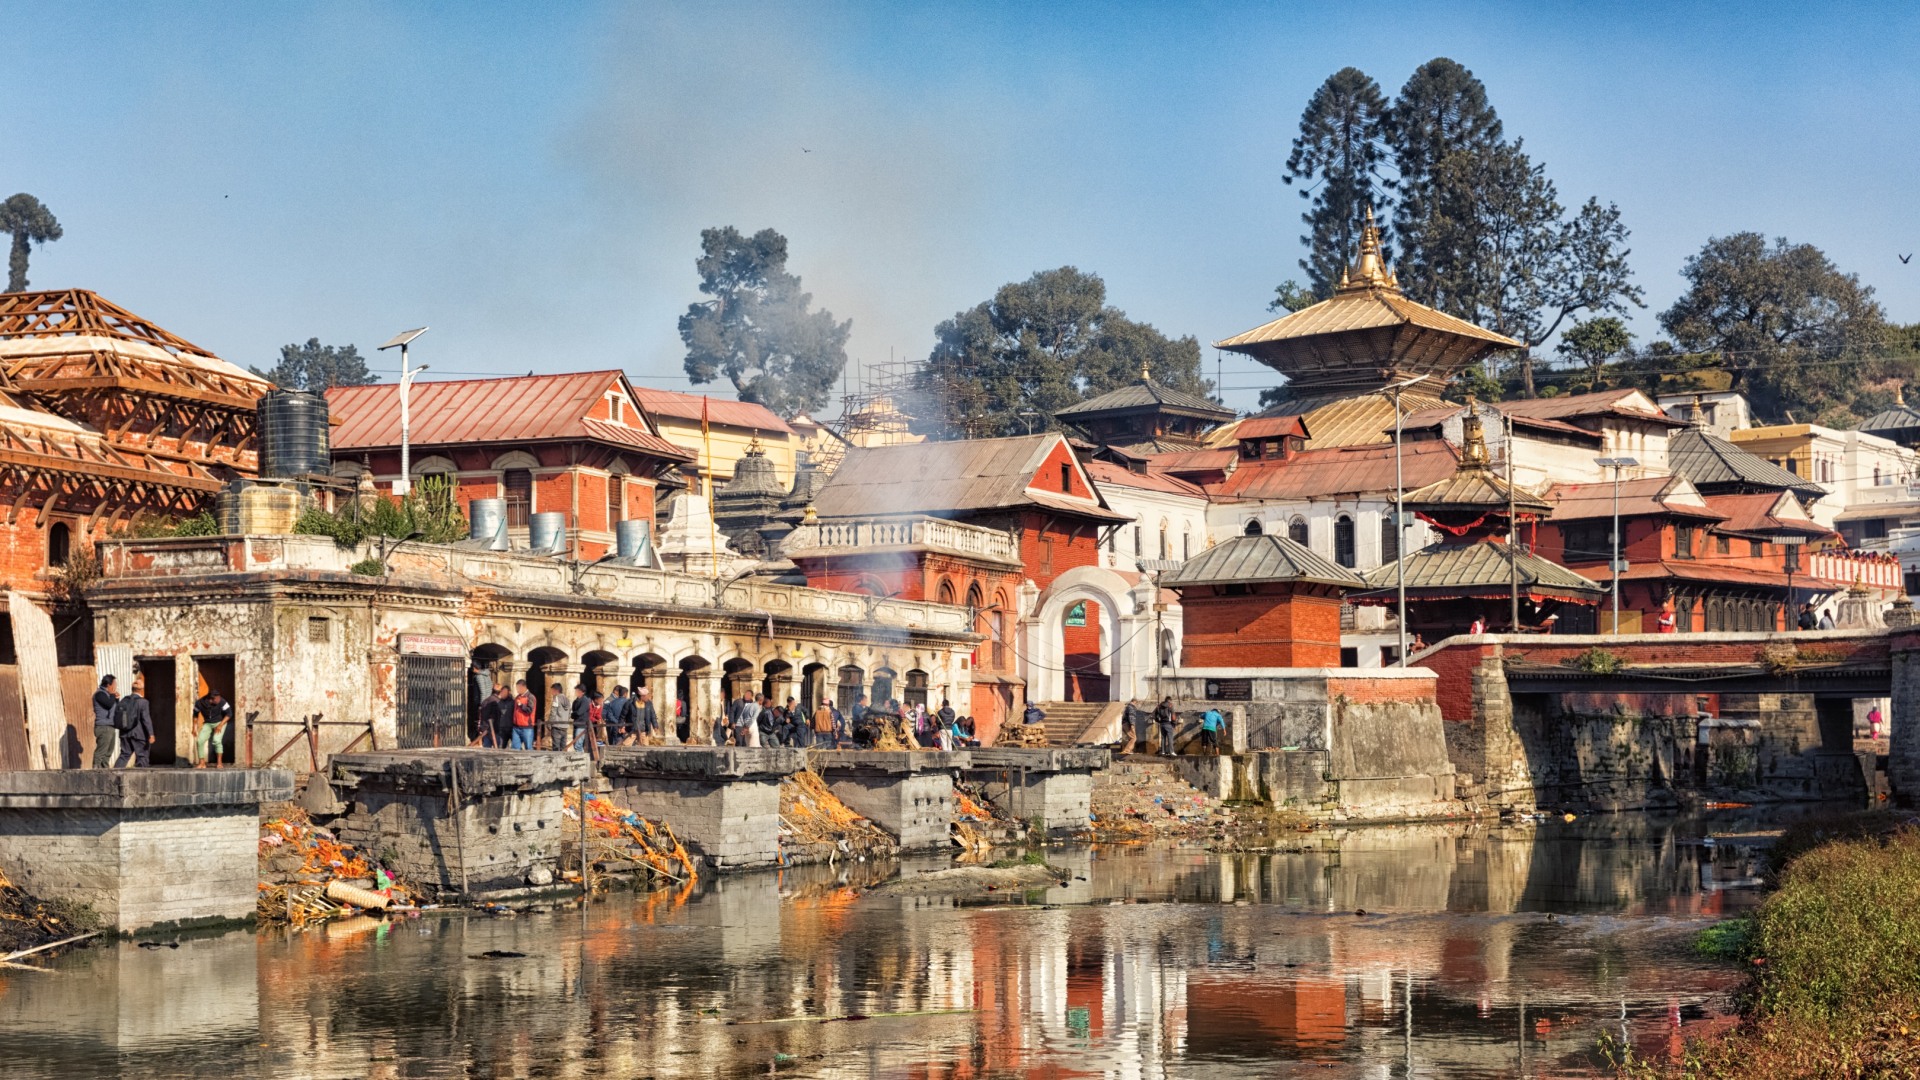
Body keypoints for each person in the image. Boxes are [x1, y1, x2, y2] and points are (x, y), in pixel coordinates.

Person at [112, 678, 153, 768]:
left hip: (124, 733)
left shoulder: (124, 700)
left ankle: (114, 776)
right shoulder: (143, 702)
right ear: (142, 690)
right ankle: (142, 779)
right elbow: (146, 719)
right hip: (139, 734)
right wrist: (151, 734)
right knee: (142, 756)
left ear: (132, 689)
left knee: (124, 755)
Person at [193, 690, 234, 769]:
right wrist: (194, 727)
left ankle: (219, 763)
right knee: (200, 740)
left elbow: (229, 713)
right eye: (217, 698)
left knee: (216, 740)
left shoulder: (222, 701)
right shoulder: (199, 703)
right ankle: (202, 763)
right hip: (207, 723)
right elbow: (195, 714)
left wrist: (220, 725)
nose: (219, 699)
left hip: (220, 722)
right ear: (211, 699)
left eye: (219, 697)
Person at [90, 674, 119, 770]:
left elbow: (114, 708)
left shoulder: (108, 695)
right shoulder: (100, 694)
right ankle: (96, 770)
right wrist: (112, 695)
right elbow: (108, 705)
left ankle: (104, 770)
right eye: (114, 683)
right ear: (108, 685)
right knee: (101, 751)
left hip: (110, 726)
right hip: (103, 727)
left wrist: (116, 699)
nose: (115, 686)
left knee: (109, 751)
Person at [510, 680, 537, 750]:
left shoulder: (531, 697)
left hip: (527, 727)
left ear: (523, 687)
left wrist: (521, 705)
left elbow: (530, 710)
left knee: (528, 747)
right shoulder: (517, 697)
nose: (517, 690)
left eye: (518, 688)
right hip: (516, 727)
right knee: (515, 748)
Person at [548, 683, 573, 751]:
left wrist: (549, 724)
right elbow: (570, 714)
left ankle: (556, 761)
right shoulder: (568, 700)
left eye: (552, 690)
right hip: (565, 726)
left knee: (556, 747)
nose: (551, 692)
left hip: (556, 726)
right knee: (563, 747)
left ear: (556, 690)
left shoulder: (556, 698)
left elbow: (553, 712)